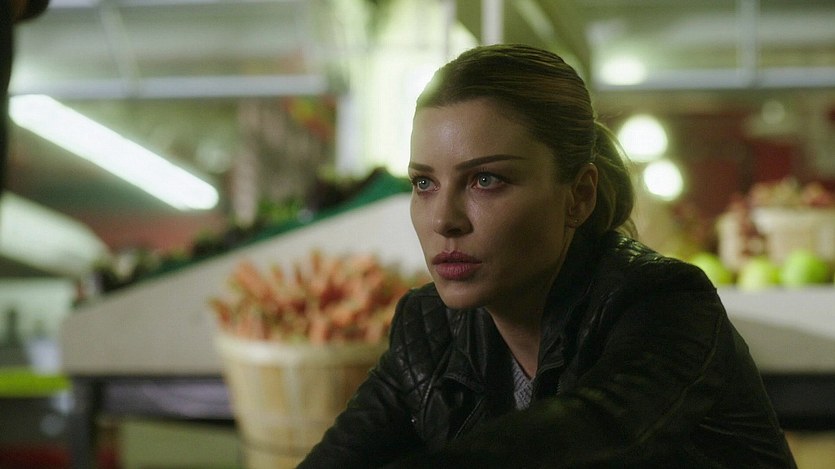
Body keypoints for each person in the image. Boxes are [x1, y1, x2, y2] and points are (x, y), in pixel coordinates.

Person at [299, 44, 796, 468]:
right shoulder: (429, 330)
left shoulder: (664, 302)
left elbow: (588, 437)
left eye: (485, 179)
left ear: (578, 196)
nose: (443, 220)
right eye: (424, 183)